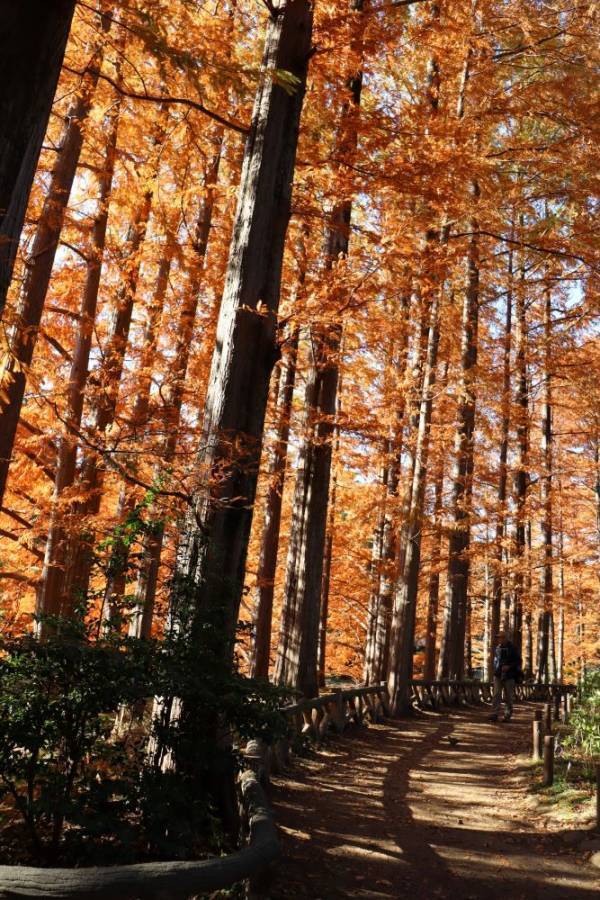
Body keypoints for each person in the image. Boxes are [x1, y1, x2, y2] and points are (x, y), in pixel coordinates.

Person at [489, 630, 521, 722]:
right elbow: (495, 661)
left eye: (501, 637)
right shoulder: (497, 648)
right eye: (498, 638)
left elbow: (518, 661)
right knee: (496, 694)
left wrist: (509, 667)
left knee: (508, 696)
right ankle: (494, 714)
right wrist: (496, 669)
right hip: (498, 675)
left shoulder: (513, 648)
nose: (499, 639)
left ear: (506, 638)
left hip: (509, 676)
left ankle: (507, 715)